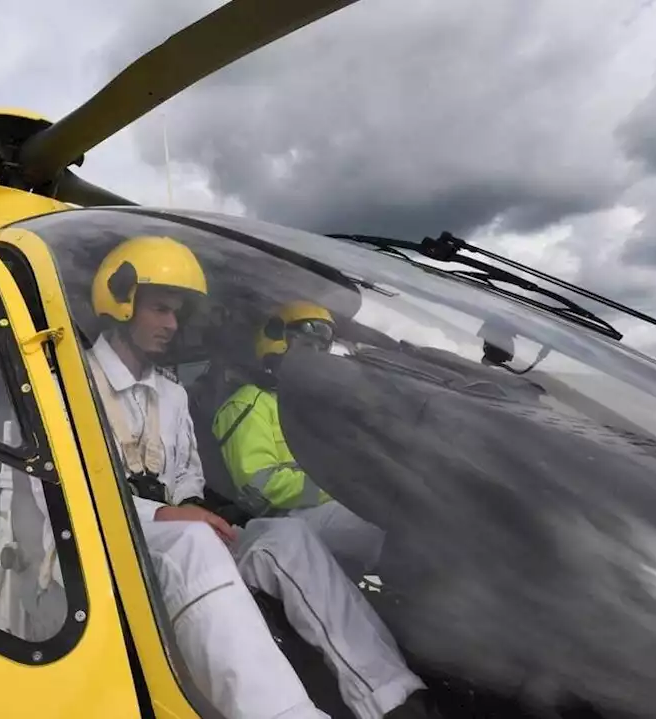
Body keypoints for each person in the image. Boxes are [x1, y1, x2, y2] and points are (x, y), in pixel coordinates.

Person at [84, 235, 434, 719]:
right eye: (160, 310)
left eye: (176, 314)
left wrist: (196, 509)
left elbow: (186, 476)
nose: (171, 325)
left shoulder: (171, 396)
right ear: (120, 300)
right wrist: (165, 513)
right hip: (103, 537)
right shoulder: (72, 380)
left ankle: (393, 697)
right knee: (192, 541)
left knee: (285, 536)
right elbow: (56, 489)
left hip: (170, 531)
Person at [211, 300, 388, 580]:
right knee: (378, 525)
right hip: (278, 523)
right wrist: (338, 488)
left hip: (317, 512)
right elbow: (258, 486)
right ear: (277, 345)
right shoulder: (248, 402)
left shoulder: (309, 406)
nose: (315, 357)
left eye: (321, 348)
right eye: (307, 346)